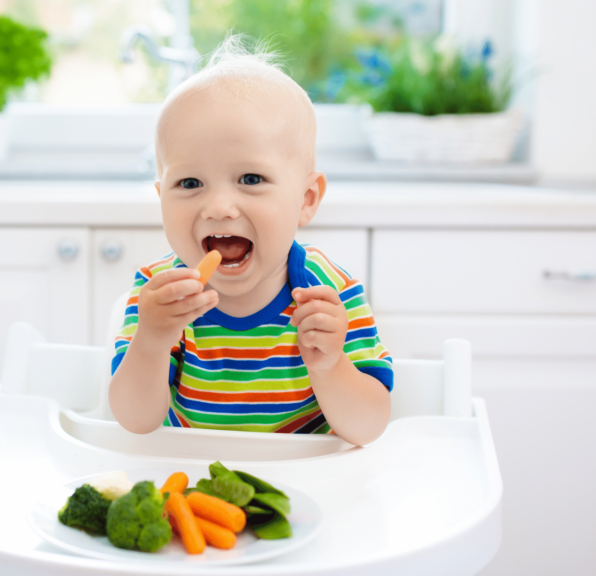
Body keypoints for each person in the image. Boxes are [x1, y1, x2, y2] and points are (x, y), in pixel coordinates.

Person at [108, 37, 393, 446]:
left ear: (306, 200)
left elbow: (369, 427)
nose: (219, 207)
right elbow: (136, 422)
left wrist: (330, 365)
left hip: (304, 489)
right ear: (161, 199)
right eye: (190, 182)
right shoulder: (160, 295)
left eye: (251, 179)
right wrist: (151, 343)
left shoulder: (328, 292)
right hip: (191, 485)